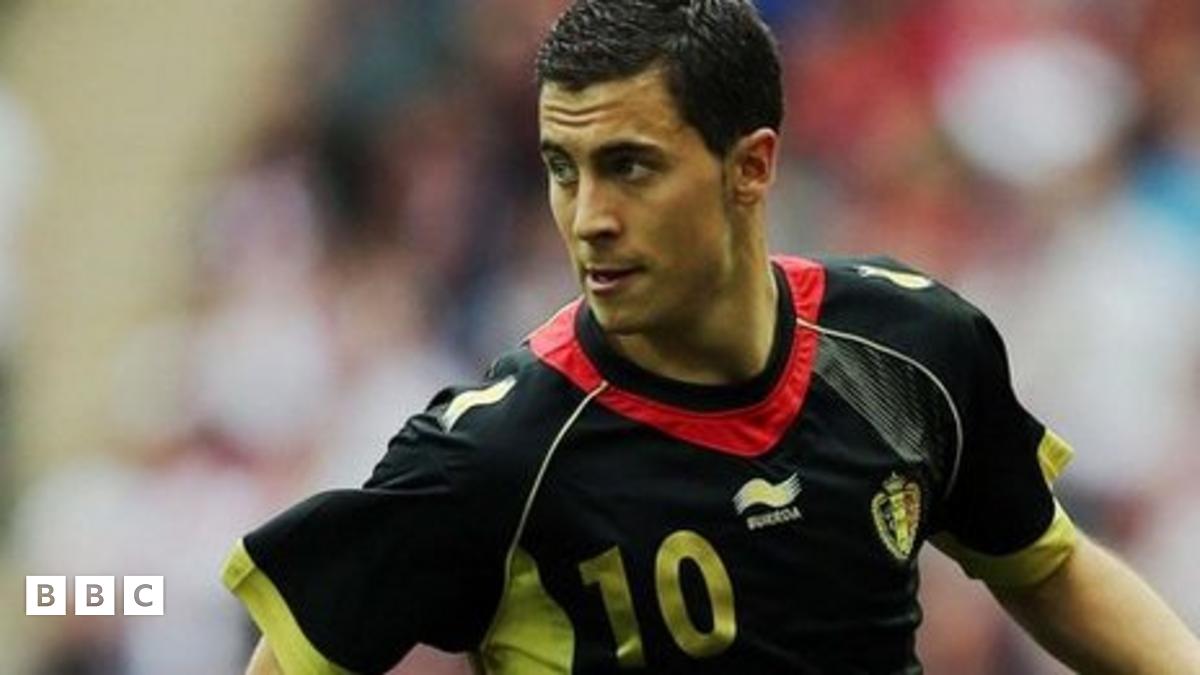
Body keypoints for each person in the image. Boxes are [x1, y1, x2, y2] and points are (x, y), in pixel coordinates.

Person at [223, 1, 1200, 673]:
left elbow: (1048, 564)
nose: (588, 218)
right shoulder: (496, 452)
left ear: (751, 167)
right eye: (562, 168)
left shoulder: (911, 348)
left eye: (630, 166)